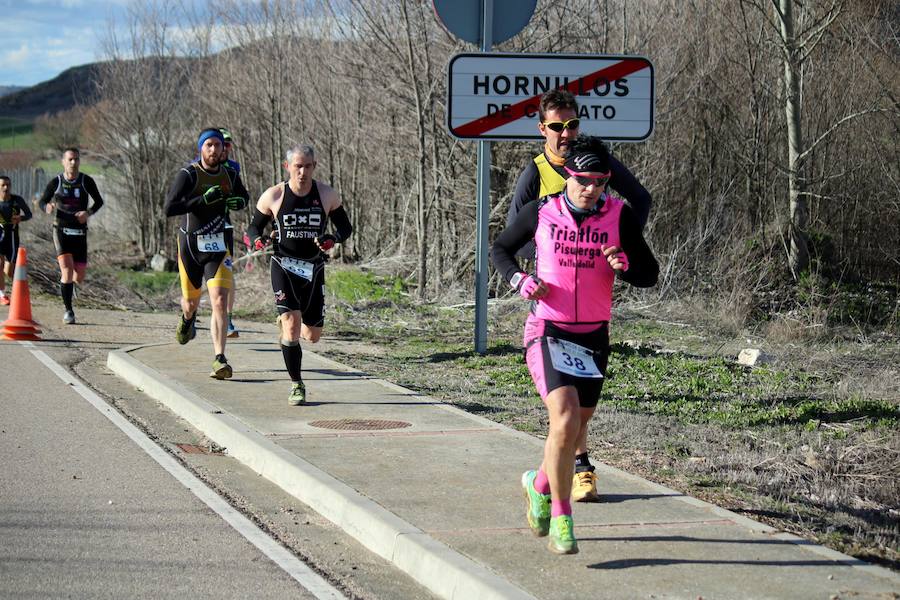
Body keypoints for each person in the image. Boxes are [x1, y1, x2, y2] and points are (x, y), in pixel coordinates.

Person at [492, 135, 658, 554]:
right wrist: (520, 279)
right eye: (584, 180)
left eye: (601, 182)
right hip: (548, 329)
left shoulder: (619, 217)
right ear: (569, 173)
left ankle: (538, 482)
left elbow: (649, 274)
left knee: (575, 428)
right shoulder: (541, 211)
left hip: (594, 336)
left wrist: (626, 265)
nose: (592, 189)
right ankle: (563, 519)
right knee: (564, 421)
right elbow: (500, 249)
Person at [246, 144, 353, 405]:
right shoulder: (274, 195)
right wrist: (258, 241)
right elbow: (251, 230)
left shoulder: (327, 195)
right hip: (283, 265)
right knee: (292, 326)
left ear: (314, 166)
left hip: (313, 269)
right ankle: (296, 384)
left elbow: (345, 228)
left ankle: (287, 322)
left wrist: (332, 239)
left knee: (312, 336)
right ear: (288, 167)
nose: (302, 171)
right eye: (297, 166)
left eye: (307, 166)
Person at [164, 128, 249, 379]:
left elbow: (243, 196)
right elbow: (169, 208)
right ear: (201, 148)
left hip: (219, 246)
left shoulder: (230, 173)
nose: (213, 150)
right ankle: (188, 318)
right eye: (208, 145)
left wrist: (240, 202)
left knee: (220, 301)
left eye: (217, 145)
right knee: (190, 302)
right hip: (190, 245)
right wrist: (202, 199)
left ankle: (219, 358)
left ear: (224, 149)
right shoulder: (189, 174)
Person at [38, 147, 104, 324]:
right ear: (63, 162)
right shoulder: (56, 182)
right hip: (61, 230)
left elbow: (99, 201)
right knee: (66, 271)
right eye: (70, 159)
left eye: (76, 159)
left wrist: (87, 213)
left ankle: (69, 287)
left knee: (79, 276)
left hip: (80, 232)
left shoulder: (86, 181)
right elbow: (43, 201)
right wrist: (47, 208)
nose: (73, 163)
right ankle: (69, 311)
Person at [219, 128, 242, 338]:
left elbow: (239, 196)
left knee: (227, 271)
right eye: (220, 143)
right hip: (198, 229)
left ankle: (228, 318)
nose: (225, 148)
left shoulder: (234, 167)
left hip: (224, 226)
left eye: (228, 144)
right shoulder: (195, 166)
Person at [0, 175, 33, 305]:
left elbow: (29, 214)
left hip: (12, 237)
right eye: (2, 185)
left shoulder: (17, 200)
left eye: (8, 185)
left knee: (9, 271)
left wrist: (20, 218)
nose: (6, 188)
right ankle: (2, 295)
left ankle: (19, 291)